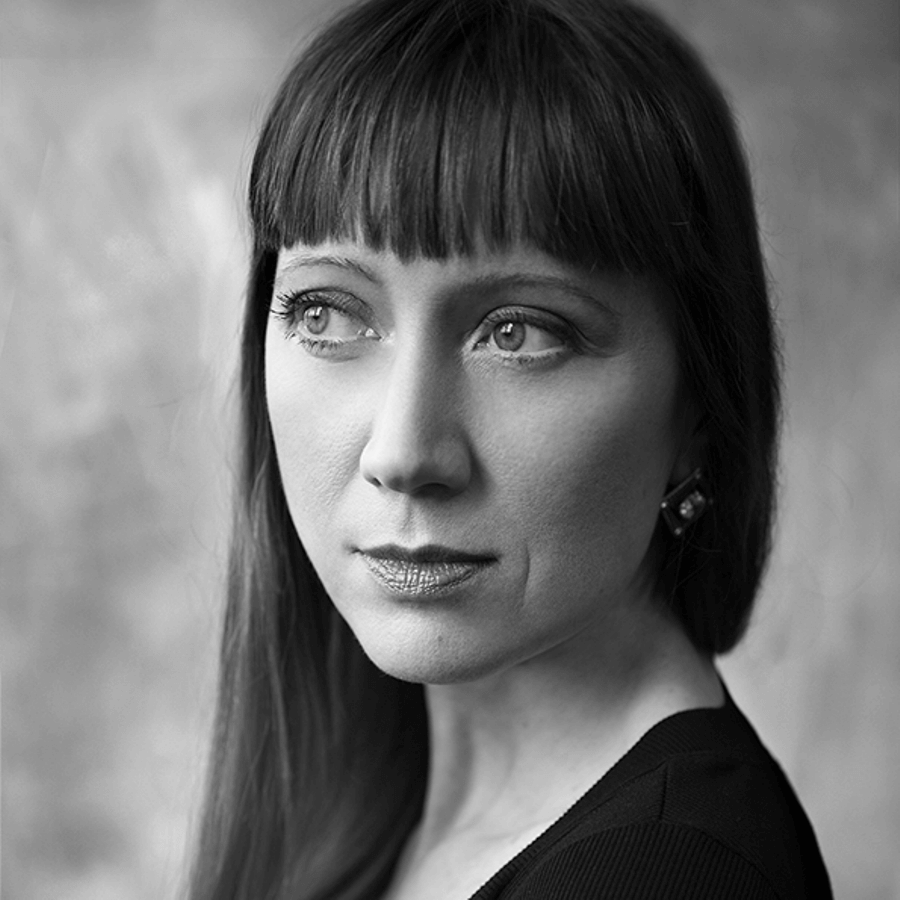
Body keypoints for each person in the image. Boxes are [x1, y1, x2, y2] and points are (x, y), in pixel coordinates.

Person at [187, 0, 833, 897]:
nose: (403, 452)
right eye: (328, 313)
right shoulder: (366, 803)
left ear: (698, 410)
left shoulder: (667, 877)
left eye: (519, 333)